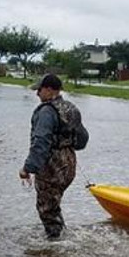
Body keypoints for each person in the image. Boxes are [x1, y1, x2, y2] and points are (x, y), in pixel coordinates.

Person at [19, 74, 89, 240]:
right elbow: (83, 139)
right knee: (53, 204)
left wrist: (28, 168)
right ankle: (60, 236)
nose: (37, 94)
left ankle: (54, 248)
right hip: (69, 164)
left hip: (51, 165)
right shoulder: (70, 108)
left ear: (49, 89)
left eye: (40, 90)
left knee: (46, 208)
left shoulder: (46, 112)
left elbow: (41, 142)